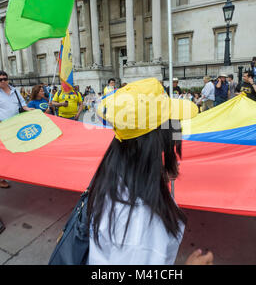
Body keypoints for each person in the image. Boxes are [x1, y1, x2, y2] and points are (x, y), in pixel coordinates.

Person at [88, 77, 212, 265]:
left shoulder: (115, 174)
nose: (176, 149)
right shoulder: (141, 225)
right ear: (157, 148)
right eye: (173, 139)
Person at [0, 71, 33, 188]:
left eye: (5, 78)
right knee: (2, 154)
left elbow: (23, 106)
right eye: (0, 79)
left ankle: (15, 173)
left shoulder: (15, 91)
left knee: (17, 151)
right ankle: (0, 178)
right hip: (2, 127)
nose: (3, 81)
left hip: (17, 126)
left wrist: (29, 109)